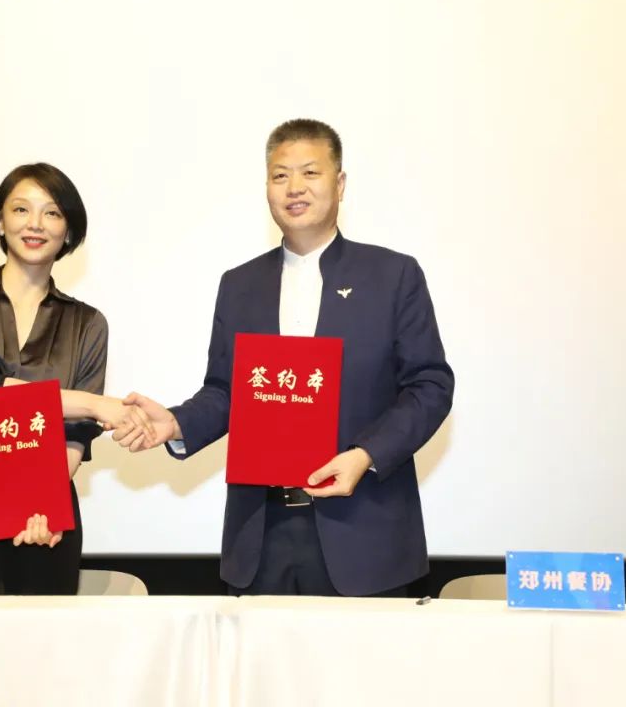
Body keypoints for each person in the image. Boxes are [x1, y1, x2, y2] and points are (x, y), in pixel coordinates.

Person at [114, 119, 454, 596]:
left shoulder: (392, 275)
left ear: (340, 184)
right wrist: (175, 423)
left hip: (364, 534)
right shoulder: (240, 285)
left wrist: (365, 456)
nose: (294, 187)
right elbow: (226, 391)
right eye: (280, 175)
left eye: (310, 173)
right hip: (261, 538)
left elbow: (430, 386)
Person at [0, 162, 151, 595]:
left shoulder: (87, 323)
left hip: (41, 510)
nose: (35, 224)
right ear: (0, 222)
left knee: (35, 635)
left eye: (52, 213)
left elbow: (76, 435)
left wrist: (45, 500)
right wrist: (96, 404)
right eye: (21, 209)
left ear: (68, 232)